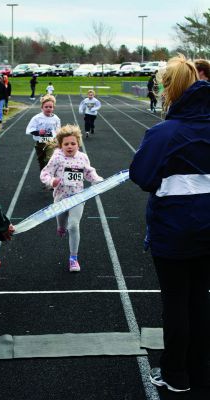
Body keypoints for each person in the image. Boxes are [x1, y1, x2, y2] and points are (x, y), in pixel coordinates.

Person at [130, 54, 210, 392]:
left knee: (176, 305)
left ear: (171, 91)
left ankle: (176, 374)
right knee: (202, 302)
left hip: (173, 234)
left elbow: (142, 176)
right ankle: (201, 371)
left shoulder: (163, 133)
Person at [40, 124, 103, 272]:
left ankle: (73, 258)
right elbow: (45, 173)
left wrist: (97, 179)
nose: (70, 147)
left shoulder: (82, 157)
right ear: (61, 145)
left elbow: (89, 172)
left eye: (73, 143)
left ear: (78, 144)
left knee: (74, 225)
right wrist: (51, 182)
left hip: (77, 197)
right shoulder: (56, 158)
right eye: (66, 144)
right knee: (62, 222)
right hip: (60, 197)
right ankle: (60, 227)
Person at [25, 94, 61, 173]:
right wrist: (38, 132)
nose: (48, 109)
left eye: (50, 107)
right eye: (46, 107)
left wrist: (58, 141)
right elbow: (29, 130)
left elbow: (58, 131)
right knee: (41, 161)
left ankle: (50, 176)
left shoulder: (56, 119)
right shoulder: (37, 118)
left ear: (53, 108)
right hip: (40, 143)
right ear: (42, 108)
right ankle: (44, 175)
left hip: (51, 143)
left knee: (49, 159)